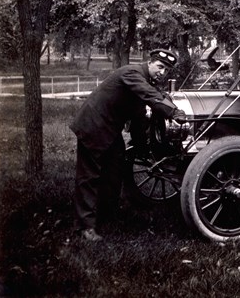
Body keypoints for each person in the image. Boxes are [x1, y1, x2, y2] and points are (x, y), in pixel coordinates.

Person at [70, 49, 186, 241]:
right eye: (160, 67)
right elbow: (148, 94)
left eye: (166, 70)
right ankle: (84, 227)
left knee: (115, 171)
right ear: (150, 63)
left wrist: (142, 147)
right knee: (89, 177)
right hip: (93, 125)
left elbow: (139, 117)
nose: (162, 72)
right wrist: (173, 112)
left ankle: (107, 216)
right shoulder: (132, 73)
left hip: (109, 128)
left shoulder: (144, 81)